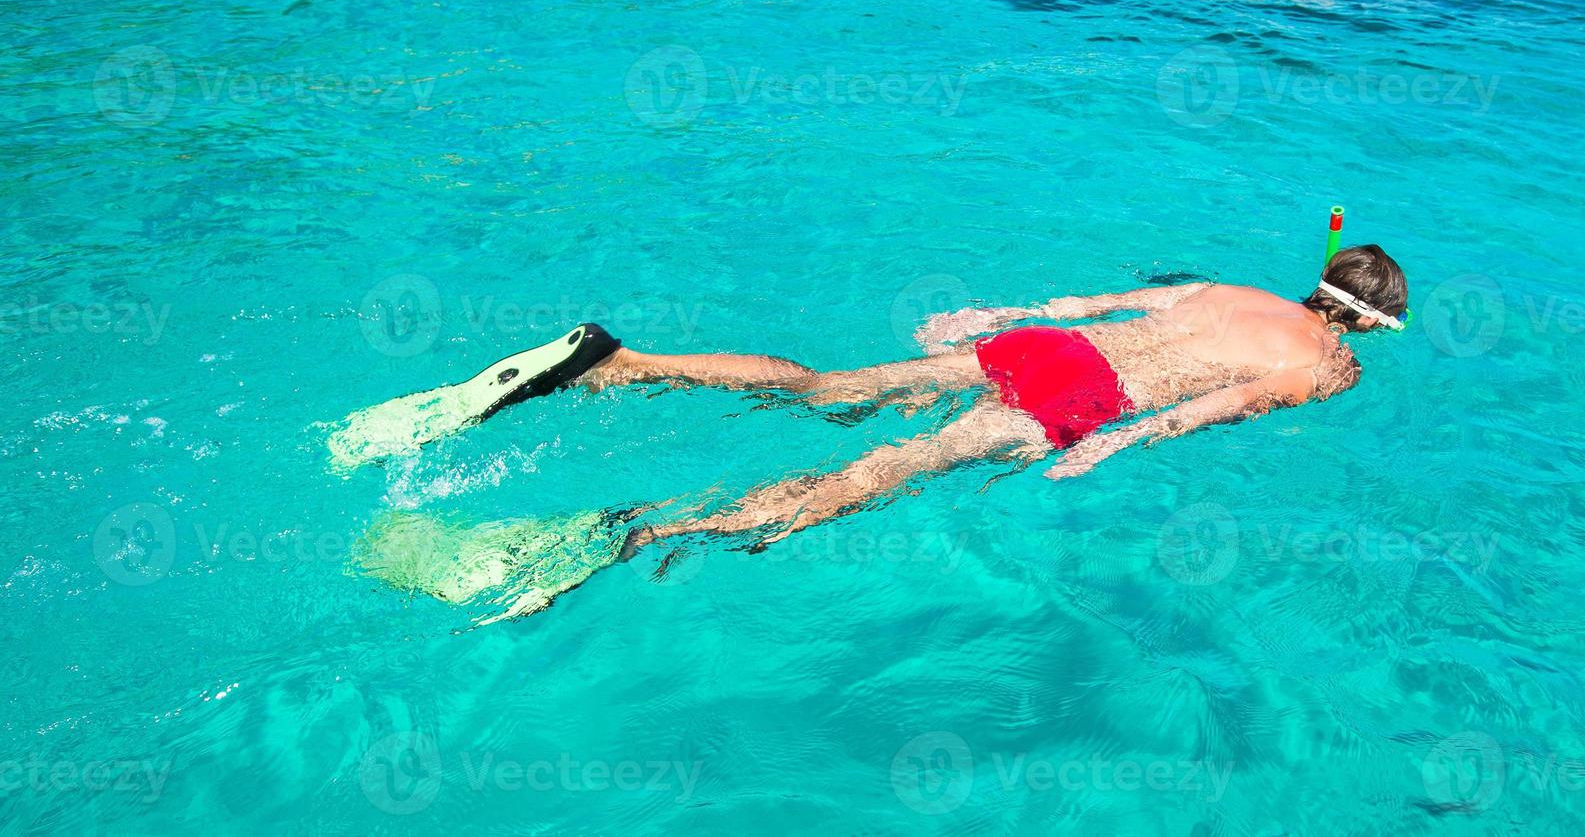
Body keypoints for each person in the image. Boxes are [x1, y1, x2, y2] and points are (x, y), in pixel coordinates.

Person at [342, 246, 1406, 618]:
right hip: (1068, 405)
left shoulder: (1227, 288)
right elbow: (1202, 408)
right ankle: (636, 534)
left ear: (1319, 281)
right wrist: (1103, 445)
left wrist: (985, 316)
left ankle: (621, 361)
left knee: (825, 385)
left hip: (1034, 353)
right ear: (1368, 324)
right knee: (876, 471)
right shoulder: (1322, 366)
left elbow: (1093, 306)